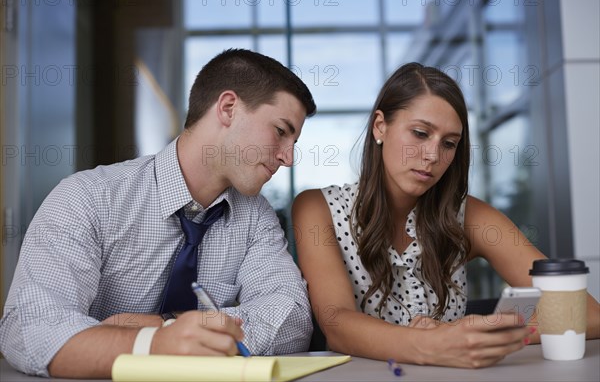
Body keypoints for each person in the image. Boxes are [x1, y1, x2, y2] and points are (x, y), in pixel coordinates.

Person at [0, 49, 317, 378]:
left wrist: (168, 326)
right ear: (227, 108)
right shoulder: (87, 198)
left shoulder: (256, 218)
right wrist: (151, 344)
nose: (288, 158)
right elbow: (29, 327)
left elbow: (291, 321)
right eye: (281, 131)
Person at [292, 62, 600, 368]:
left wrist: (467, 335)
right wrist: (435, 343)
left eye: (449, 143)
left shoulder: (469, 216)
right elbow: (338, 326)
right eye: (420, 133)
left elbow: (586, 313)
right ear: (380, 126)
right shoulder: (317, 208)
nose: (433, 156)